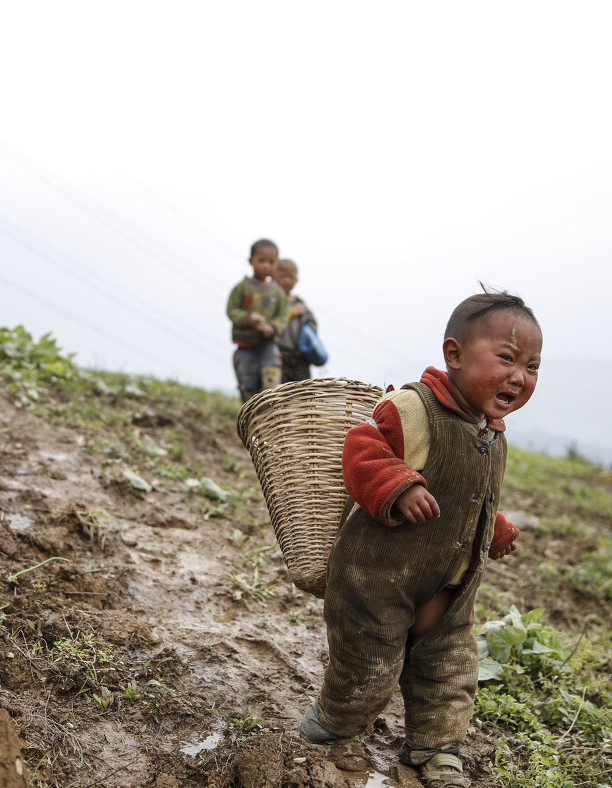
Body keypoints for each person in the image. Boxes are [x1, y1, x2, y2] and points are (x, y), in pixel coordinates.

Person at [298, 290, 540, 787]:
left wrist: (494, 528)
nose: (520, 376)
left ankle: (436, 747)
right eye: (507, 358)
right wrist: (397, 484)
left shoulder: (490, 431)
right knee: (370, 665)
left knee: (450, 671)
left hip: (448, 588)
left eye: (533, 367)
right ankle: (331, 728)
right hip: (377, 580)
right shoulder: (413, 409)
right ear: (454, 354)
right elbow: (361, 449)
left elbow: (472, 497)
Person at [226, 239, 290, 402]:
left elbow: (283, 316)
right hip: (245, 346)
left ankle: (269, 412)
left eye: (271, 262)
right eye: (261, 261)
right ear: (251, 261)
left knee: (271, 383)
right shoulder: (242, 288)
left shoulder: (277, 293)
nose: (266, 266)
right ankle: (251, 417)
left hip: (268, 346)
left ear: (276, 264)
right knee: (247, 385)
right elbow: (231, 309)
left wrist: (273, 327)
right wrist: (248, 319)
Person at [272, 258, 320, 382]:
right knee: (278, 393)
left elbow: (312, 324)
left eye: (291, 277)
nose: (287, 280)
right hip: (277, 355)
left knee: (303, 392)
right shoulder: (270, 300)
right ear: (273, 276)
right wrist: (292, 312)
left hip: (299, 357)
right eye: (283, 276)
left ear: (296, 280)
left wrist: (305, 344)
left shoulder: (300, 304)